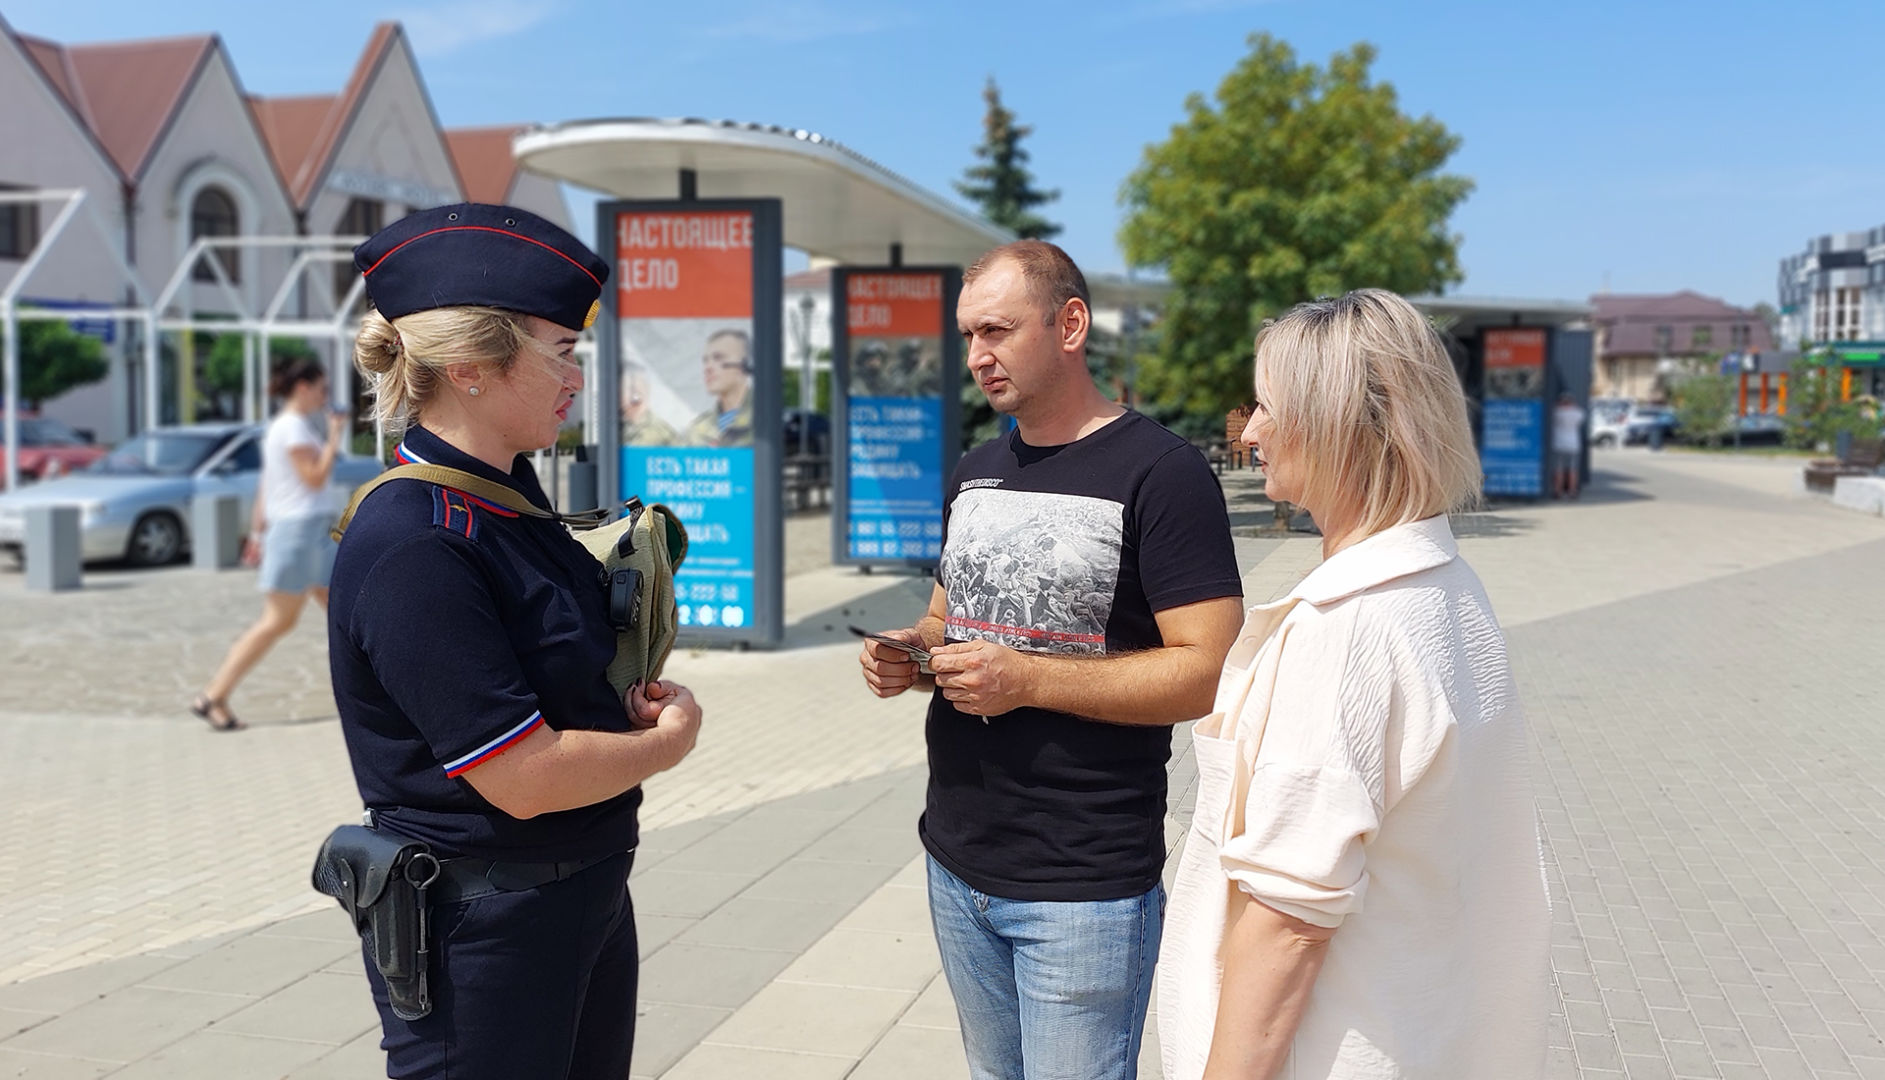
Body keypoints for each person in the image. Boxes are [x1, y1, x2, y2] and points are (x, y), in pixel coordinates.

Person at [329, 203, 704, 1079]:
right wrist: (664, 743)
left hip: (575, 897)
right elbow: (522, 778)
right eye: (562, 353)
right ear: (469, 366)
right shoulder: (418, 538)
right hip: (484, 930)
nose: (577, 378)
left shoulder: (507, 501)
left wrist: (620, 697)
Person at [857, 240, 1244, 1080]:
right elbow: (943, 616)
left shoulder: (1163, 472)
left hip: (1083, 884)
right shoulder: (976, 471)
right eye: (966, 336)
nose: (976, 357)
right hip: (957, 858)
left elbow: (1202, 671)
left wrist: (1027, 678)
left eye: (994, 330)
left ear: (1069, 324)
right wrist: (909, 654)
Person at [1156, 289, 1548, 1080]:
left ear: (1342, 425)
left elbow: (1288, 921)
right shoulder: (1446, 587)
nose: (1251, 431)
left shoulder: (1345, 629)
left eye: (1268, 407)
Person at [191, 357, 347, 731]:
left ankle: (380, 698)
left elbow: (268, 486)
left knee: (345, 617)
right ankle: (213, 695)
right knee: (279, 621)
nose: (326, 397)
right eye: (322, 389)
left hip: (301, 532)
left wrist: (258, 532)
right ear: (303, 388)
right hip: (302, 534)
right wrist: (335, 435)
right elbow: (313, 478)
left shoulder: (283, 428)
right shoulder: (293, 428)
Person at [683, 328, 753, 446]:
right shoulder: (697, 430)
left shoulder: (768, 421)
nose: (708, 367)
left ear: (746, 365)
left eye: (719, 358)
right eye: (706, 360)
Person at [621, 361, 678, 446]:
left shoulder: (662, 433)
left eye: (640, 387)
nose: (635, 395)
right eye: (629, 388)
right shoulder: (611, 426)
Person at [1552, 390, 1586, 498]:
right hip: (1573, 444)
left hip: (1558, 444)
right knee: (1573, 469)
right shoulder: (1578, 413)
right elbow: (1581, 419)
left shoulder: (1556, 412)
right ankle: (1572, 491)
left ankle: (1558, 491)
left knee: (1558, 468)